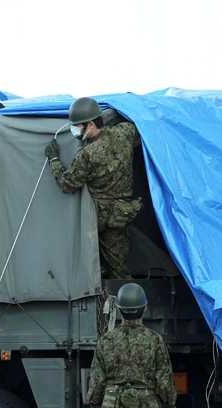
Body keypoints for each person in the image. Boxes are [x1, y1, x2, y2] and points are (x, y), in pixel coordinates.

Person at [45, 97, 142, 279]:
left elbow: (67, 184)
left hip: (99, 216)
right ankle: (125, 301)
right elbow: (138, 132)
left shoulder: (87, 155)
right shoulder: (124, 133)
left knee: (90, 264)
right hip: (123, 213)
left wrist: (54, 160)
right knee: (119, 266)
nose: (75, 130)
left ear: (90, 125)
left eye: (78, 126)